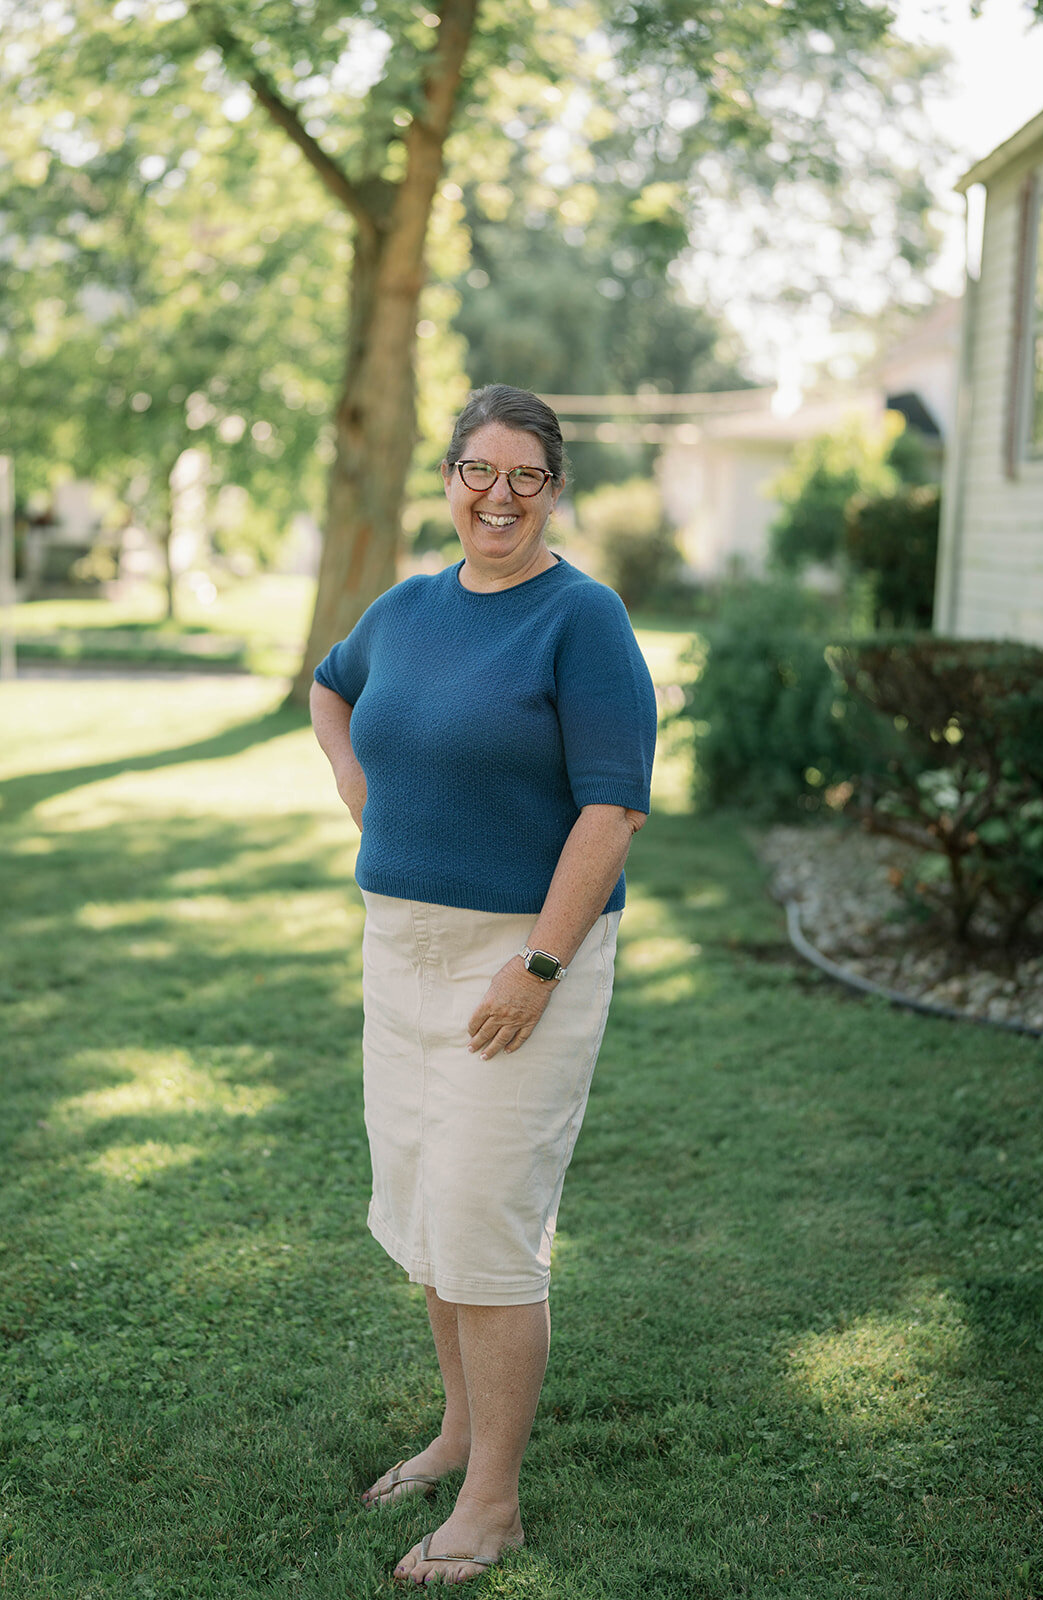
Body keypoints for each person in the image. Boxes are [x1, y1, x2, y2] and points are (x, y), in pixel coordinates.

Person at [309, 383, 657, 1587]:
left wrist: (539, 964)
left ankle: (492, 1503)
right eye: (476, 470)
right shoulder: (405, 609)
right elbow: (329, 684)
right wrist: (368, 799)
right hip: (396, 954)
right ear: (448, 477)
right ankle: (456, 1433)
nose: (495, 495)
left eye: (523, 476)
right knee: (424, 1215)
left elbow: (610, 811)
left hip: (522, 954)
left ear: (552, 489)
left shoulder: (582, 618)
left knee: (485, 1220)